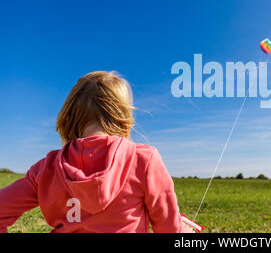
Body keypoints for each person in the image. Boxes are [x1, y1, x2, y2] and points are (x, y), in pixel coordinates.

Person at [0, 71, 193, 233]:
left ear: (68, 117)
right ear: (123, 116)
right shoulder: (144, 159)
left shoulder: (46, 169)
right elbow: (170, 229)